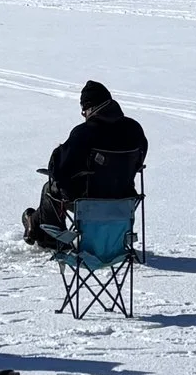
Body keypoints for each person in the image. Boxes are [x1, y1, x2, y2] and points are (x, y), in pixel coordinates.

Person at [23, 81, 148, 250]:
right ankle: (34, 222)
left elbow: (59, 171)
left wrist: (59, 153)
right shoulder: (135, 129)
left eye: (84, 111)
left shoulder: (84, 132)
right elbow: (138, 163)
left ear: (89, 108)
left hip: (89, 204)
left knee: (50, 188)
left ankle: (50, 239)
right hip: (123, 202)